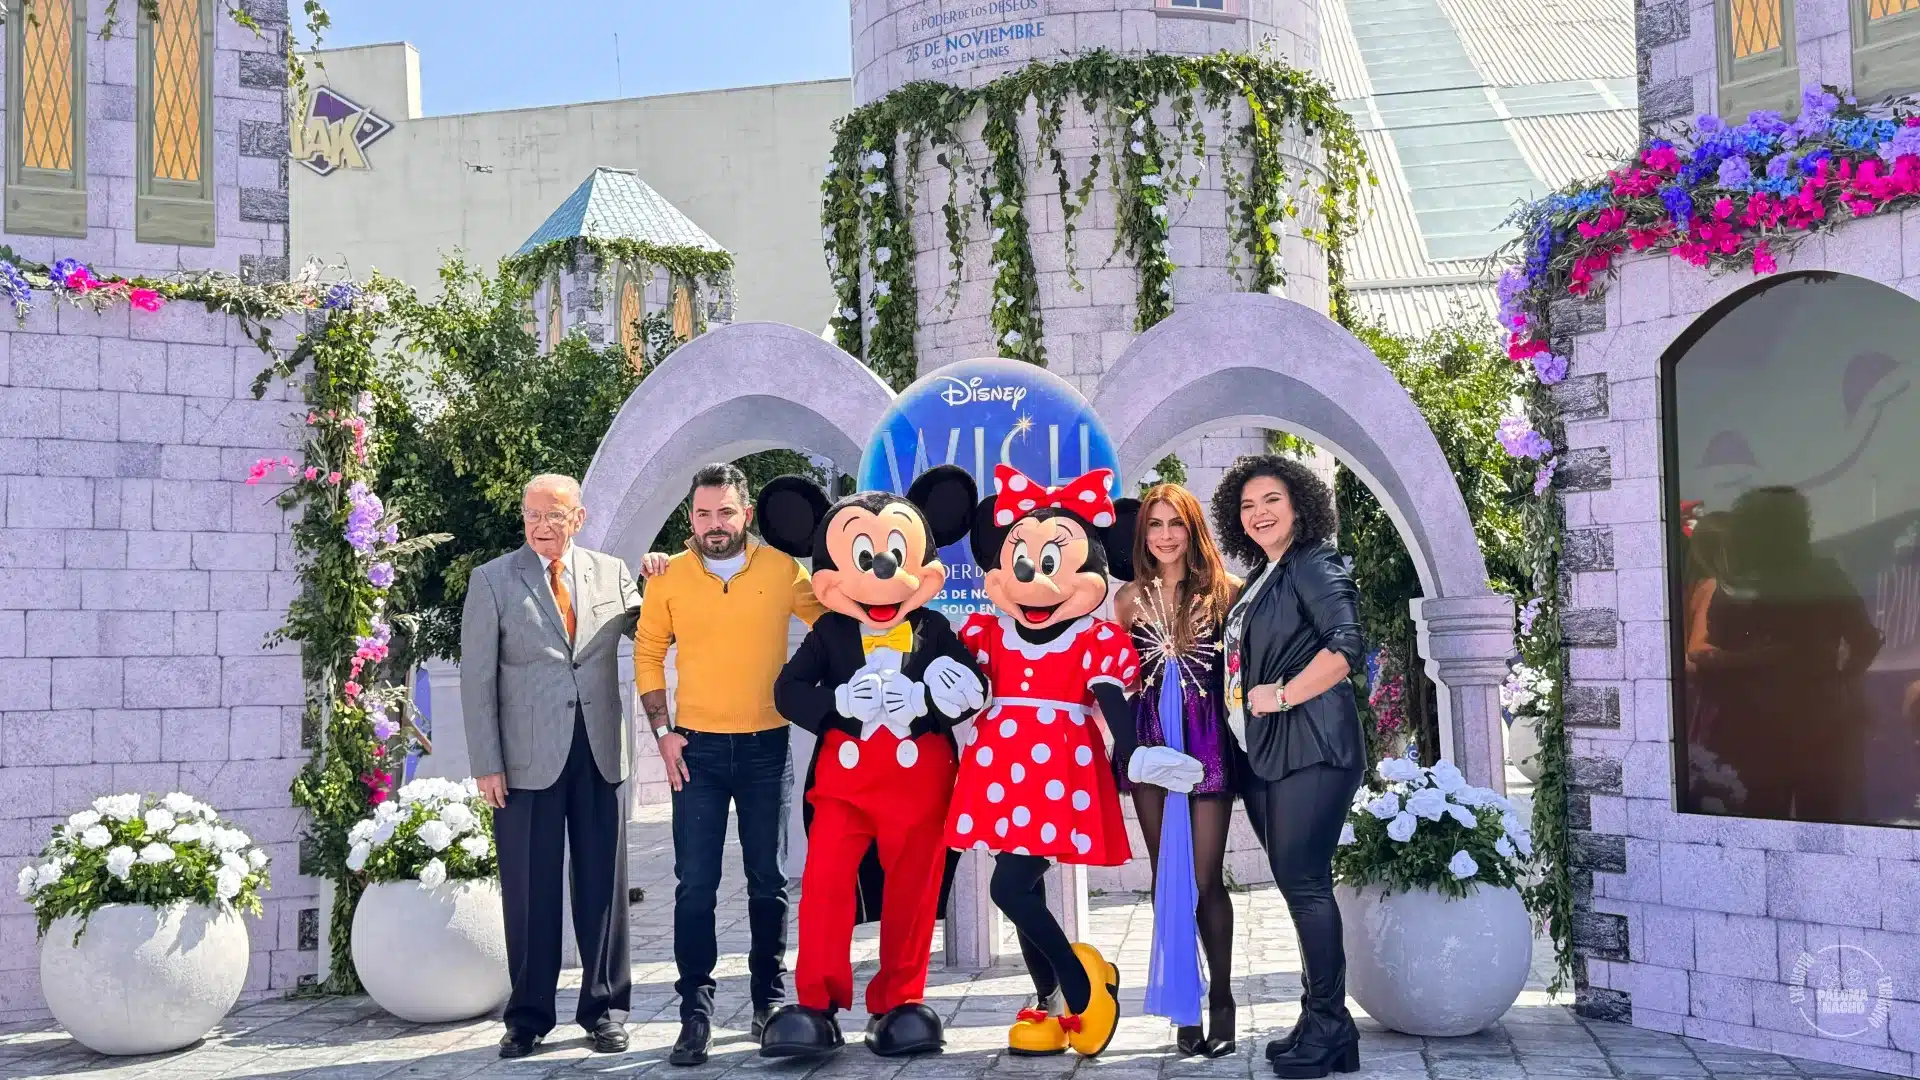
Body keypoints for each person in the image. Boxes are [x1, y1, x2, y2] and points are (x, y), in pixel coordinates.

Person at [756, 466, 987, 1058]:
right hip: (845, 787)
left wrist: (935, 696)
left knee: (912, 894)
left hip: (921, 784)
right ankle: (816, 1002)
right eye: (863, 556)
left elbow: (972, 689)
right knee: (827, 885)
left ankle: (900, 999)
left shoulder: (934, 627)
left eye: (894, 554)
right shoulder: (831, 631)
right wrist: (836, 702)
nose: (881, 572)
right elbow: (788, 691)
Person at [946, 464, 1173, 1059]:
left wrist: (1136, 755)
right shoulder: (989, 632)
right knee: (1026, 889)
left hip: (1057, 772)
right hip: (1000, 770)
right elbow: (959, 679)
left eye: (1052, 566)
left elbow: (1111, 705)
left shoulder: (1097, 641)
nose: (1036, 583)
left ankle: (1081, 985)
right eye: (1023, 565)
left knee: (1010, 887)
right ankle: (1048, 999)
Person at [632, 463, 828, 1066]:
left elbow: (832, 624)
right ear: (690, 516)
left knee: (768, 882)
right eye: (702, 514)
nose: (713, 525)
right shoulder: (669, 579)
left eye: (724, 513)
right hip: (697, 751)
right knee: (696, 886)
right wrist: (662, 734)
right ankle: (696, 1011)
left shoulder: (782, 570)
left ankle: (769, 1001)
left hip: (768, 746)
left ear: (745, 514)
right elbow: (648, 653)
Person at [461, 474, 641, 1060]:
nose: (541, 526)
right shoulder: (490, 581)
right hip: (523, 762)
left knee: (601, 889)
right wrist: (488, 763)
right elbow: (475, 681)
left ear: (579, 518)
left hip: (598, 752)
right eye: (532, 514)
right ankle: (530, 1016)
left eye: (554, 516)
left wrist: (662, 571)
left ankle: (605, 1009)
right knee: (530, 890)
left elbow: (653, 624)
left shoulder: (614, 574)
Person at [1212, 455, 1365, 1080]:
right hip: (1268, 753)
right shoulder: (1264, 575)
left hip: (1314, 747)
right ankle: (1322, 1020)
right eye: (1247, 506)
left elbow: (1346, 647)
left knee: (1305, 885)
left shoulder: (1313, 564)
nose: (1259, 514)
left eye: (1271, 500)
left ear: (1299, 505)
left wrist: (1282, 694)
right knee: (1297, 884)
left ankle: (1330, 1027)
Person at [1112, 483, 1241, 1058]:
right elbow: (1115, 679)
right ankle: (1185, 1004)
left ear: (1193, 530)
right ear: (1144, 537)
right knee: (1171, 877)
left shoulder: (1227, 594)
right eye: (1155, 526)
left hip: (1208, 744)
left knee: (1206, 878)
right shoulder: (1127, 600)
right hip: (1151, 749)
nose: (1165, 535)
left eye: (1175, 524)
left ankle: (1222, 1001)